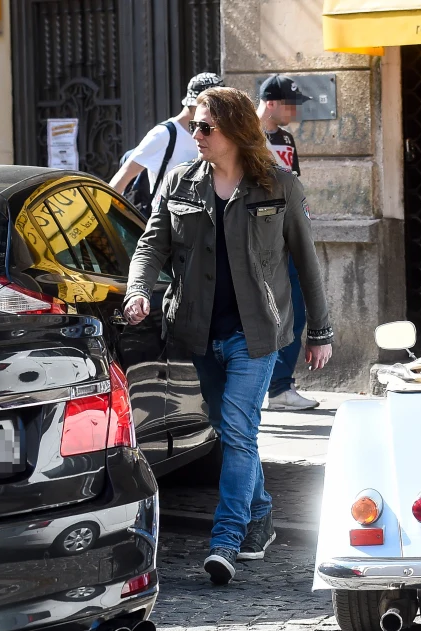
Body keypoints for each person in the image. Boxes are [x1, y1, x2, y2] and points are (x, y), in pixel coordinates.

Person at [122, 86, 334, 586]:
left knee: (240, 431)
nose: (194, 134)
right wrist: (138, 291)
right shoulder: (179, 183)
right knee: (228, 428)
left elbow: (307, 261)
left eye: (205, 127)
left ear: (235, 131)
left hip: (256, 333)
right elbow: (150, 246)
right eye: (195, 125)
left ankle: (226, 540)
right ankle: (260, 514)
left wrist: (319, 332)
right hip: (197, 331)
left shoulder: (277, 185)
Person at [255, 74, 320, 410]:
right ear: (272, 103)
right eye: (291, 104)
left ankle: (280, 387)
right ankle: (262, 386)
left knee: (294, 309)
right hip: (254, 242)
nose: (295, 111)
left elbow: (294, 186)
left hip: (287, 238)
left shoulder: (286, 139)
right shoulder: (244, 137)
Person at [109, 72, 224, 209]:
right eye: (210, 106)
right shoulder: (164, 135)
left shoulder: (216, 132)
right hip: (168, 222)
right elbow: (124, 175)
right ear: (194, 104)